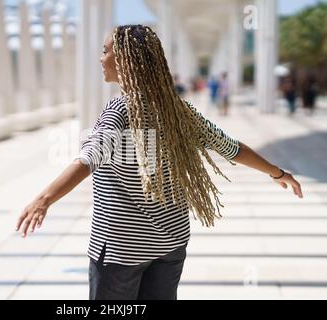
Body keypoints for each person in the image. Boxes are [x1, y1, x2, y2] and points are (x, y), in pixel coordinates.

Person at [15, 25, 303, 300]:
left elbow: (89, 158)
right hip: (171, 241)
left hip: (122, 248)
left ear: (126, 60)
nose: (101, 59)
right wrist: (277, 173)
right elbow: (230, 148)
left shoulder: (120, 108)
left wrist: (43, 199)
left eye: (105, 51)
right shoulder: (178, 109)